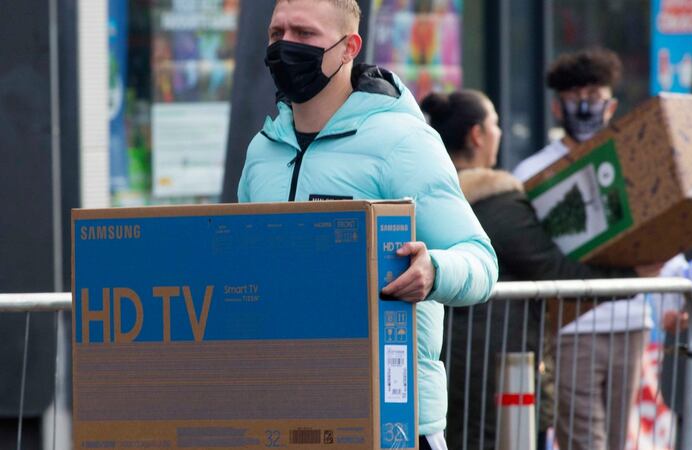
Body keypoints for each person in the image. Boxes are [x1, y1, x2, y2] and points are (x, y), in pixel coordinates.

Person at [236, 1, 499, 449]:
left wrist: (433, 270)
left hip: (393, 422)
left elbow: (481, 260)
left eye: (304, 34)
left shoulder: (403, 141)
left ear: (348, 48)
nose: (285, 46)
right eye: (277, 33)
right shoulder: (263, 151)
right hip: (285, 415)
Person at [421, 88, 659, 450]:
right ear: (477, 135)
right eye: (496, 123)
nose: (500, 132)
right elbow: (557, 270)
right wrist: (635, 278)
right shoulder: (501, 207)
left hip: (443, 358)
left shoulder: (429, 198)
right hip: (493, 366)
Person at [513, 47, 654, 450]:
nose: (586, 106)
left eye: (594, 96)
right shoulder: (534, 174)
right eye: (576, 97)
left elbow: (656, 233)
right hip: (573, 326)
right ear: (557, 107)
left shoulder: (629, 163)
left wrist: (676, 292)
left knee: (615, 440)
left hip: (630, 321)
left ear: (611, 105)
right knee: (584, 441)